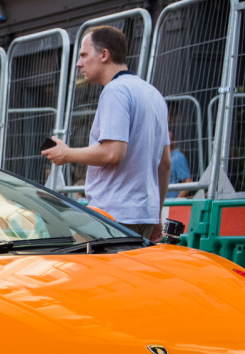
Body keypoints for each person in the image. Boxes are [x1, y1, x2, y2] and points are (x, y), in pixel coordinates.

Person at [42, 25, 170, 241]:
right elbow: (165, 163)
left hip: (112, 214)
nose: (78, 63)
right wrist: (155, 214)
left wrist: (67, 154)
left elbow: (113, 153)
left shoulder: (115, 90)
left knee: (86, 272)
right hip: (143, 216)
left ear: (104, 54)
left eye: (83, 55)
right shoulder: (153, 94)